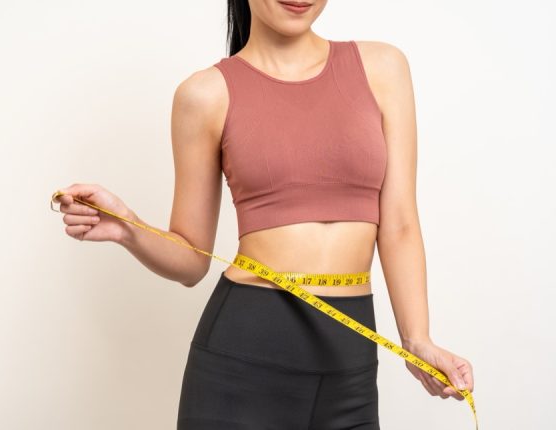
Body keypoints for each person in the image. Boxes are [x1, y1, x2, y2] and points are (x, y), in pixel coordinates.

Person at [52, 0, 474, 428]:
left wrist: (416, 338)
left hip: (350, 367)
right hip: (244, 359)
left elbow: (399, 222)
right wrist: (129, 228)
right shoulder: (205, 94)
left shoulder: (384, 68)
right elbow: (191, 260)